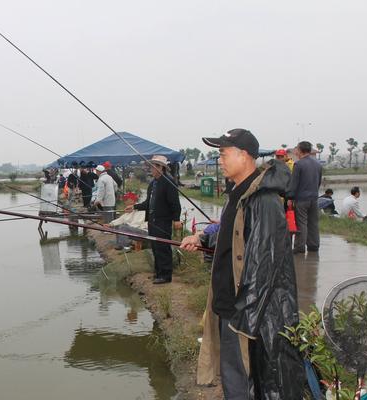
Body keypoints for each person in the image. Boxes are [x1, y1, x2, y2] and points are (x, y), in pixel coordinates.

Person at [180, 128, 304, 399]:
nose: (220, 160)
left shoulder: (265, 201)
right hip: (229, 306)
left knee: (245, 381)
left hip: (246, 315)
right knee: (233, 378)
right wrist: (202, 237)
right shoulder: (239, 193)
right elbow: (234, 237)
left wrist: (242, 318)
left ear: (244, 155)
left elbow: (265, 266)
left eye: (223, 154)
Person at [126, 155, 182, 284]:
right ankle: (158, 273)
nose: (150, 169)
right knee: (155, 247)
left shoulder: (169, 181)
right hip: (152, 220)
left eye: (153, 166)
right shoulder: (153, 183)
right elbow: (148, 203)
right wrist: (134, 206)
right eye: (151, 166)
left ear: (160, 167)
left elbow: (175, 203)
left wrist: (177, 219)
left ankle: (166, 275)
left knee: (163, 247)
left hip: (163, 221)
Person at [287, 141, 323, 254]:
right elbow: (319, 182)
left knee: (301, 223)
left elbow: (294, 183)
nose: (296, 151)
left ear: (300, 150)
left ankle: (299, 246)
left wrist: (290, 197)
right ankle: (313, 245)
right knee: (313, 223)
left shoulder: (298, 164)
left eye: (296, 149)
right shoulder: (318, 164)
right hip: (314, 198)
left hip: (302, 199)